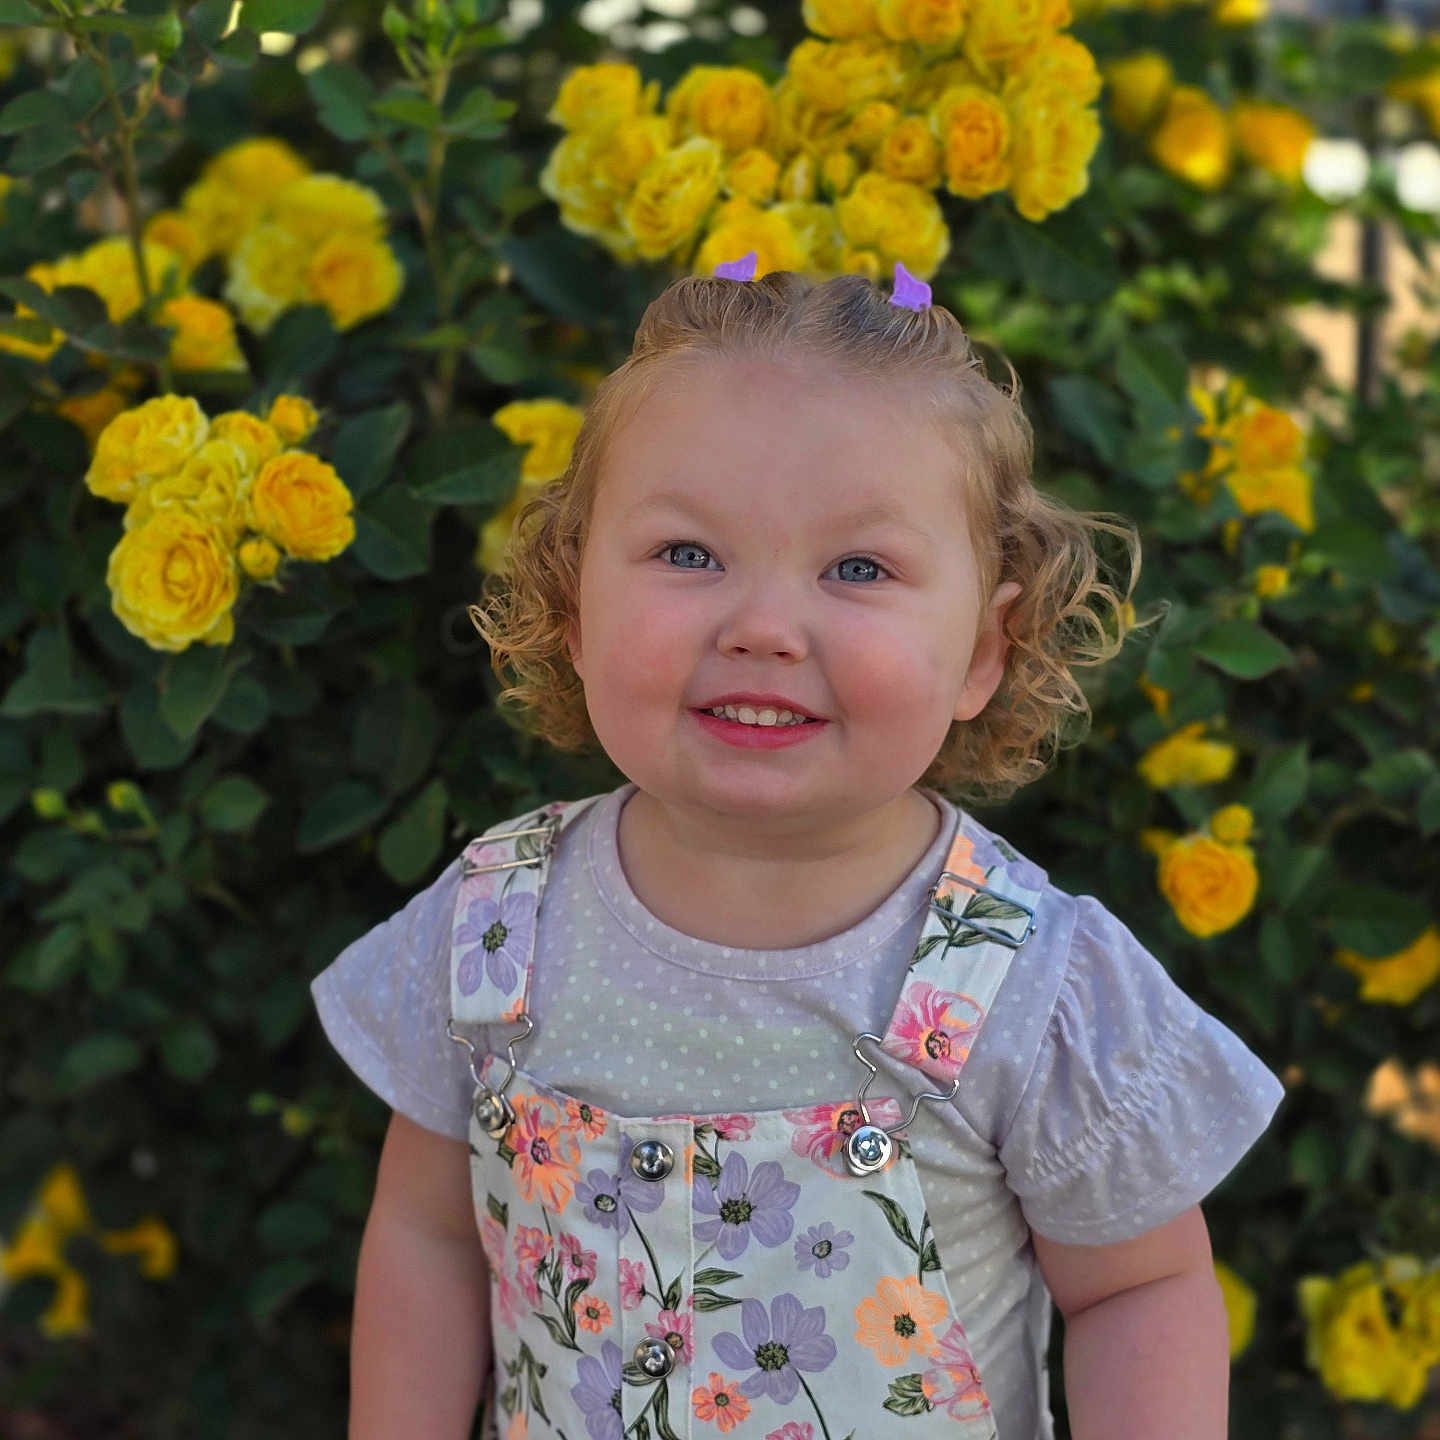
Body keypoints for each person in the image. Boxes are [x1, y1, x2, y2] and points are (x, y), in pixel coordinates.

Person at [311, 258, 1285, 1440]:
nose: (764, 628)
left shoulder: (1025, 980)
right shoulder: (495, 924)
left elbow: (1141, 1288)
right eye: (687, 554)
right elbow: (425, 1235)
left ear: (985, 647)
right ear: (573, 606)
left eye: (858, 569)